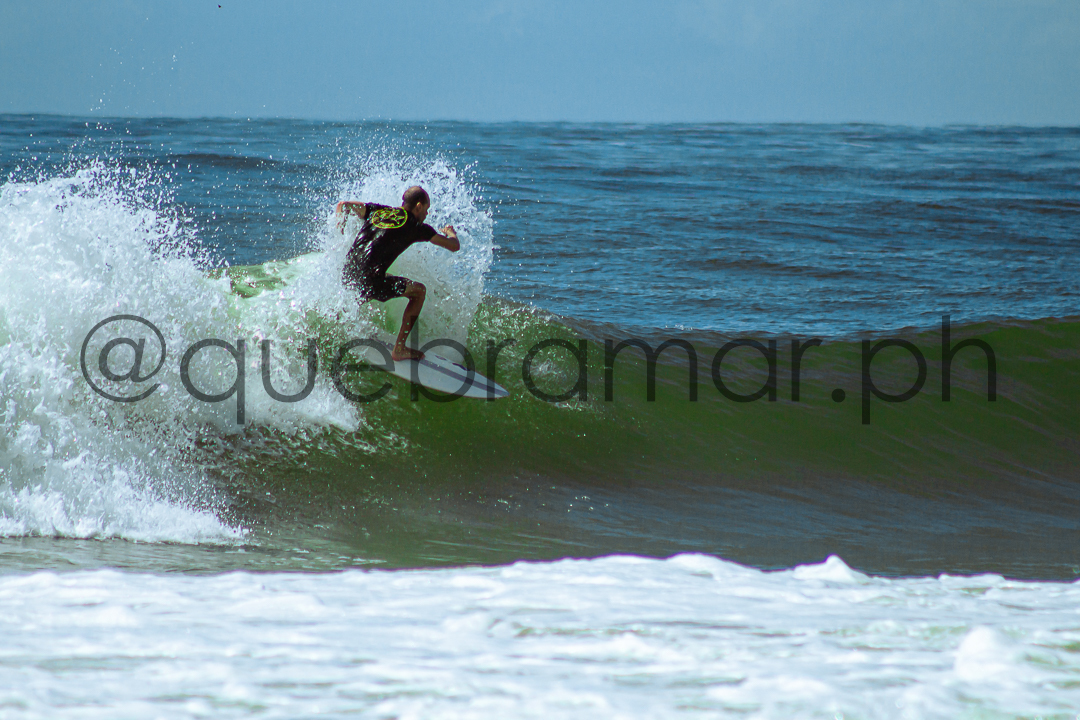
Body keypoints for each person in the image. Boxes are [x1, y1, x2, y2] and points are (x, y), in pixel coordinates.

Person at [336, 186, 460, 361]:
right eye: (426, 209)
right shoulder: (416, 227)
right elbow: (454, 246)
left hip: (347, 273)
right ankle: (399, 349)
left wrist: (340, 229)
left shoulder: (379, 211)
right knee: (419, 291)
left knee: (371, 276)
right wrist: (450, 233)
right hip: (370, 280)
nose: (427, 214)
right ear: (418, 206)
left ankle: (340, 318)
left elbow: (343, 205)